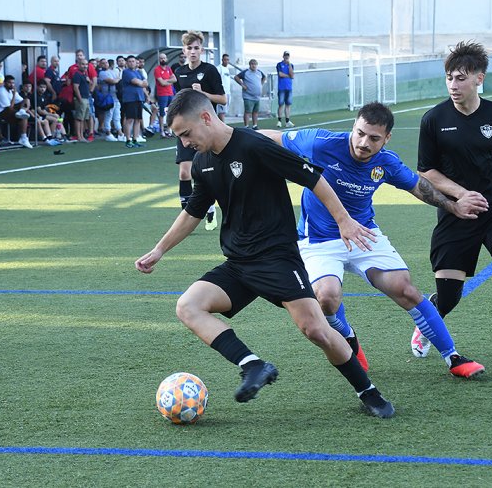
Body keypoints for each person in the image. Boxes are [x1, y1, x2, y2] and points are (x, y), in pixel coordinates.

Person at [135, 88, 394, 418]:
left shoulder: (254, 146)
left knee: (317, 330)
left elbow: (313, 178)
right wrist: (159, 250)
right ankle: (252, 365)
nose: (184, 143)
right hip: (239, 264)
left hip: (278, 260)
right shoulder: (202, 163)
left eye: (186, 134)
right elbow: (193, 212)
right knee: (188, 306)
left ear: (205, 117)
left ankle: (368, 391)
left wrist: (344, 221)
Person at [260, 102, 486, 379]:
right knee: (326, 298)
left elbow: (418, 186)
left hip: (364, 234)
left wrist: (454, 205)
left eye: (374, 138)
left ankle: (453, 357)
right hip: (318, 239)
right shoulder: (320, 143)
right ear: (353, 127)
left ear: (386, 138)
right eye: (360, 133)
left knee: (406, 290)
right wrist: (233, 138)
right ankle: (349, 338)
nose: (364, 143)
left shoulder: (386, 162)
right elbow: (273, 137)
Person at [417, 41, 492, 379]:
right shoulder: (434, 119)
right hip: (456, 213)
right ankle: (428, 321)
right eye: (449, 78)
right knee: (448, 296)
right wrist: (460, 196)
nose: (453, 85)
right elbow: (426, 172)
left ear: (478, 79)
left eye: (460, 78)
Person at [172, 31, 225, 231]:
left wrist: (202, 93)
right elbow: (178, 101)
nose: (193, 52)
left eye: (196, 48)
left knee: (204, 172)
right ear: (184, 50)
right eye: (189, 48)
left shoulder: (209, 71)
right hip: (186, 129)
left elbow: (223, 99)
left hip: (205, 129)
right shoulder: (179, 72)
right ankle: (186, 215)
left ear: (201, 50)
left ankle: (210, 206)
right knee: (185, 173)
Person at [0, 74, 31, 148]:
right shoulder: (1, 91)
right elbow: (9, 107)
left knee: (26, 102)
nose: (12, 85)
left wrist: (24, 110)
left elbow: (23, 101)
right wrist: (14, 94)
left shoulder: (11, 90)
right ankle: (23, 137)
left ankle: (23, 137)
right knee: (22, 116)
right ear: (4, 83)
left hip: (7, 111)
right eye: (9, 83)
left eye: (13, 83)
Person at [120, 55, 148, 148]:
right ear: (127, 63)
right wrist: (142, 83)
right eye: (130, 61)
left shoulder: (138, 72)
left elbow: (145, 83)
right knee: (130, 119)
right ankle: (128, 139)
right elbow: (137, 82)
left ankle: (135, 139)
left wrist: (142, 83)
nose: (132, 63)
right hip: (130, 98)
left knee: (138, 119)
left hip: (139, 98)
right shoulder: (126, 72)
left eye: (133, 61)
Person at [234, 59, 265, 130]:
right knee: (248, 111)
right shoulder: (246, 72)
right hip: (248, 96)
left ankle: (255, 125)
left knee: (255, 111)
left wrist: (261, 84)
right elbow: (236, 77)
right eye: (252, 64)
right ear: (250, 65)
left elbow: (264, 77)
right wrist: (242, 84)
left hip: (257, 96)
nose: (254, 66)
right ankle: (246, 126)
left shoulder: (259, 72)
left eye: (255, 64)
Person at [153, 52, 177, 138]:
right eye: (161, 58)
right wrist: (168, 81)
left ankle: (169, 130)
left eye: (164, 58)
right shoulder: (157, 70)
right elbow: (161, 83)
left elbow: (175, 79)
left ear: (166, 59)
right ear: (159, 60)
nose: (163, 59)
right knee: (162, 113)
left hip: (170, 93)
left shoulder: (168, 69)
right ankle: (162, 131)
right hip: (162, 94)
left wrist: (166, 81)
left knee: (171, 112)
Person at [275, 51, 294, 128]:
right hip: (281, 87)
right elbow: (280, 74)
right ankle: (279, 120)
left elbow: (292, 75)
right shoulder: (279, 64)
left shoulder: (291, 65)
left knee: (288, 104)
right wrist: (288, 75)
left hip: (289, 87)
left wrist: (289, 65)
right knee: (281, 104)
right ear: (283, 56)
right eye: (285, 55)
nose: (286, 57)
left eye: (288, 56)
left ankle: (287, 121)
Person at [216, 53, 236, 122]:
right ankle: (223, 125)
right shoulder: (219, 68)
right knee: (221, 111)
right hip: (222, 93)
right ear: (222, 60)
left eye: (227, 60)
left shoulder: (227, 69)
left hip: (228, 92)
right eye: (225, 60)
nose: (226, 61)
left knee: (224, 111)